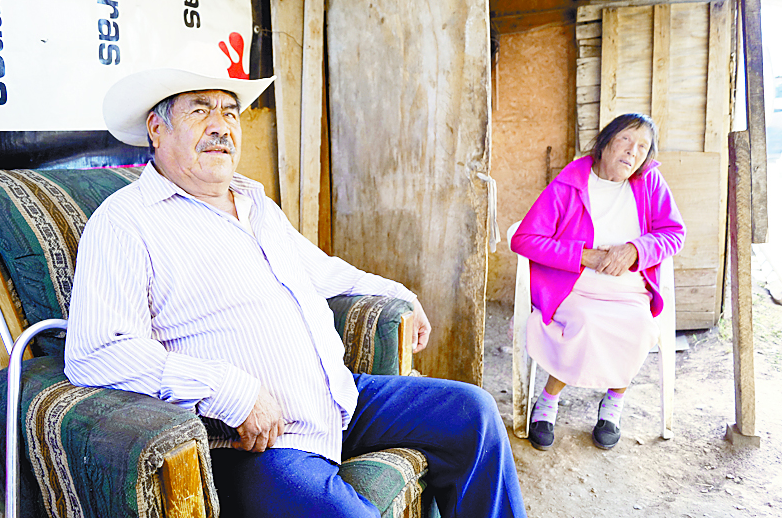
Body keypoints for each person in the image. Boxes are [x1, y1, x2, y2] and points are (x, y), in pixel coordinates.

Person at [64, 68, 528, 518]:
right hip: (257, 442)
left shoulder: (256, 204)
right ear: (156, 129)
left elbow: (321, 271)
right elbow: (97, 351)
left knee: (474, 413)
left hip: (337, 397)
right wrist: (229, 390)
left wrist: (397, 291)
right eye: (200, 110)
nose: (220, 126)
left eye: (230, 112)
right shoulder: (125, 222)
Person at [510, 113, 685, 452]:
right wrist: (583, 256)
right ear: (605, 142)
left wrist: (636, 249)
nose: (632, 151)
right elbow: (525, 239)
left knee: (638, 327)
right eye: (626, 140)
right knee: (585, 324)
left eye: (643, 147)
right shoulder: (570, 182)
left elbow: (674, 234)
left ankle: (614, 402)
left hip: (629, 288)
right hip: (575, 286)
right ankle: (548, 399)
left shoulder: (650, 182)